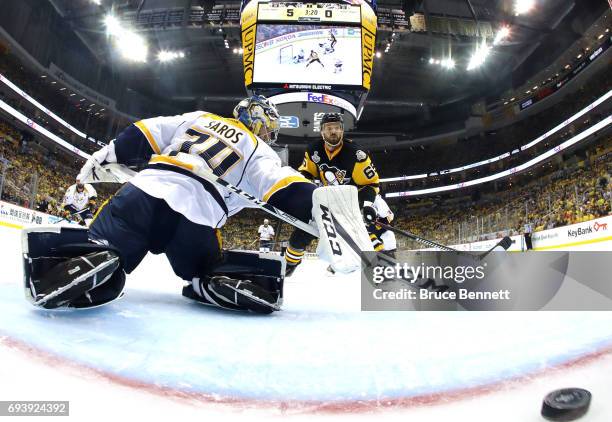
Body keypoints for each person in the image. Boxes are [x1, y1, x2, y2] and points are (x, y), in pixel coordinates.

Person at [22, 95, 319, 314]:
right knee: (203, 267)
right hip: (200, 215)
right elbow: (282, 184)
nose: (270, 134)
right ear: (257, 119)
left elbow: (147, 131)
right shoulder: (259, 149)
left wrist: (111, 152)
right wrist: (313, 203)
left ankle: (90, 261)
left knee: (104, 244)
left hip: (146, 191)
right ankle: (208, 281)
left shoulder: (199, 118)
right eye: (269, 127)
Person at [286, 113, 380, 275]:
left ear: (342, 130)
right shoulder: (313, 150)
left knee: (366, 234)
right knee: (304, 230)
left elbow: (370, 184)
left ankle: (380, 267)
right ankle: (290, 264)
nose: (333, 131)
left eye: (337, 128)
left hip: (351, 203)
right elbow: (306, 173)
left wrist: (367, 206)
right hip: (326, 200)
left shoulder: (356, 154)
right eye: (329, 128)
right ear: (322, 131)